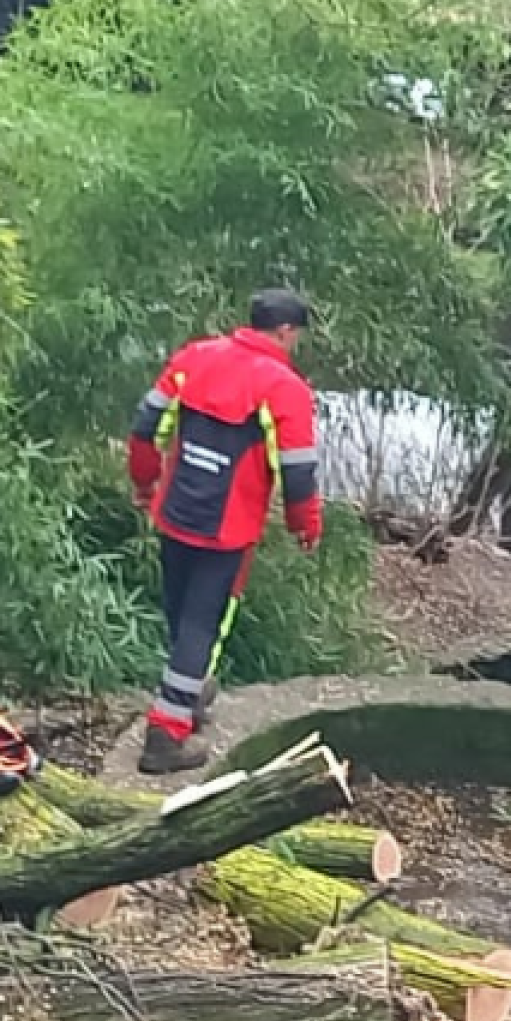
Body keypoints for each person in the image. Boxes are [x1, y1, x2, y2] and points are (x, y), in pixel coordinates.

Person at [121, 288, 324, 774]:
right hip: (226, 528)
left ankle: (186, 691)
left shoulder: (195, 357)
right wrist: (305, 523)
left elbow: (146, 425)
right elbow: (298, 469)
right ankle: (166, 737)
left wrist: (145, 481)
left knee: (180, 610)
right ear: (286, 332)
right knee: (202, 623)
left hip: (174, 511)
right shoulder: (284, 387)